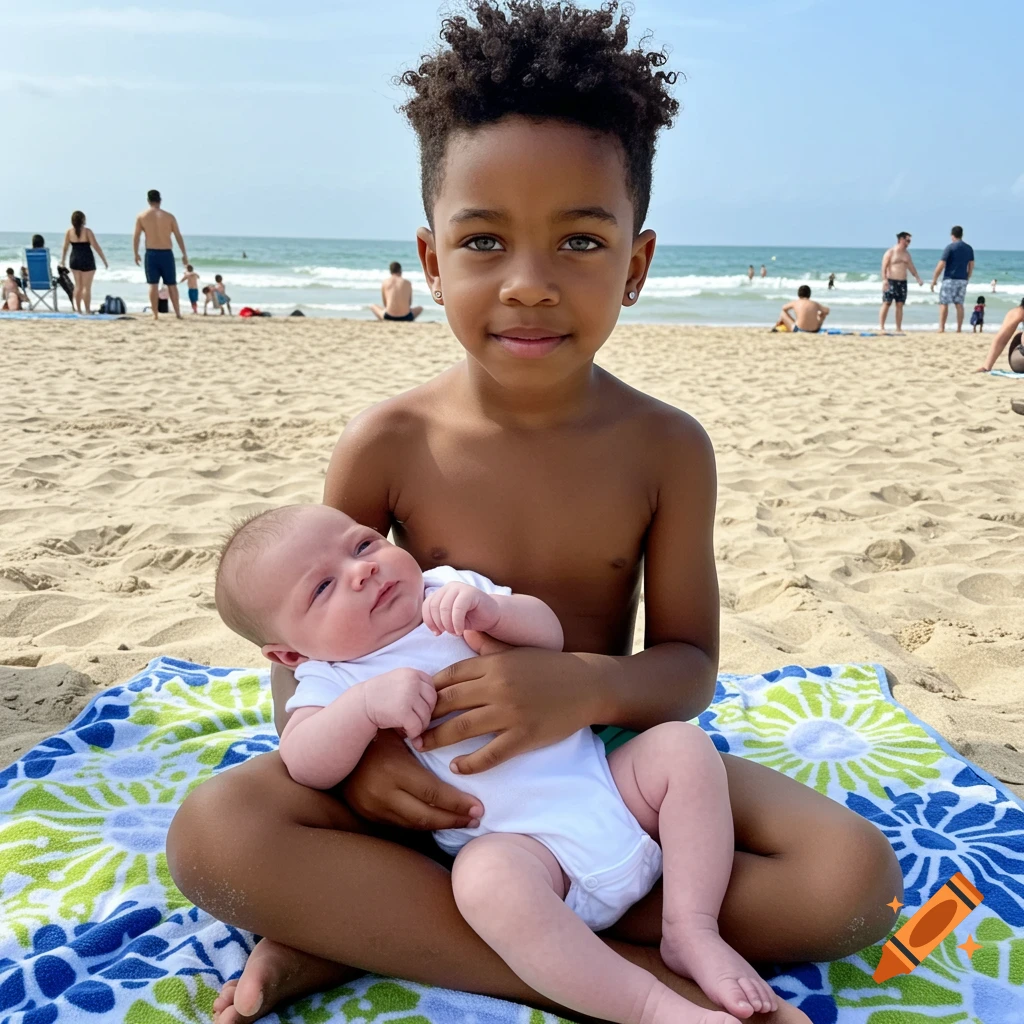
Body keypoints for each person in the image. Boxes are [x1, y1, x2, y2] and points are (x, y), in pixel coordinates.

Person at [166, 6, 901, 1024]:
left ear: (636, 266)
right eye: (482, 240)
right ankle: (621, 983)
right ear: (430, 260)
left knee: (850, 877)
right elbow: (299, 664)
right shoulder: (384, 440)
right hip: (441, 786)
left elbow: (686, 667)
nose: (527, 283)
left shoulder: (666, 447)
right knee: (215, 830)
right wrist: (373, 765)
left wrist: (575, 689)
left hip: (596, 761)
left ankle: (358, 930)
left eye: (580, 240)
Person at [216, 504, 778, 1023]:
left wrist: (495, 610)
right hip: (527, 854)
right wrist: (362, 709)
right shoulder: (330, 678)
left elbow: (548, 634)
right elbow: (305, 760)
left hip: (609, 788)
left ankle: (691, 927)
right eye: (322, 587)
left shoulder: (451, 591)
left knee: (681, 746)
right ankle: (652, 1006)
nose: (360, 572)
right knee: (484, 883)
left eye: (362, 546)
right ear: (290, 654)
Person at [133, 188, 188, 321]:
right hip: (166, 253)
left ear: (148, 200)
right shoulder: (169, 216)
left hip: (151, 253)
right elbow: (178, 236)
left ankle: (155, 314)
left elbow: (136, 236)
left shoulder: (142, 216)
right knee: (172, 284)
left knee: (153, 284)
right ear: (160, 200)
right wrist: (184, 253)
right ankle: (178, 313)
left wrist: (136, 253)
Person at [60, 211, 109, 315]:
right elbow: (96, 246)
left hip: (74, 259)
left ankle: (78, 310)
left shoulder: (69, 232)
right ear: (83, 220)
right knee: (87, 287)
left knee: (78, 286)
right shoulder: (87, 232)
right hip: (87, 259)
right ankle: (87, 310)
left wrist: (63, 260)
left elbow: (65, 247)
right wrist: (104, 260)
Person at [930, 225, 975, 333]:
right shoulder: (968, 248)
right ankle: (959, 328)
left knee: (944, 303)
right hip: (962, 279)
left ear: (952, 235)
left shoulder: (950, 247)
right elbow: (971, 264)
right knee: (959, 304)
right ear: (962, 234)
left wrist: (934, 279)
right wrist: (968, 276)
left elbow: (941, 264)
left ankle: (942, 328)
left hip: (949, 279)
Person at [878, 231, 923, 332]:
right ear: (901, 240)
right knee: (886, 303)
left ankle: (898, 327)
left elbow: (911, 267)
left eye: (909, 241)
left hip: (902, 282)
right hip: (891, 281)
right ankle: (881, 326)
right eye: (907, 240)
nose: (908, 243)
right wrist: (884, 280)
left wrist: (917, 278)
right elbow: (884, 267)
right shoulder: (890, 252)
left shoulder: (907, 254)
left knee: (900, 305)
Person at [976, 299, 1024, 373]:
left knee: (1018, 337)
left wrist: (986, 367)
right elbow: (1002, 339)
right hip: (1021, 359)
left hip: (1020, 360)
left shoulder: (1019, 311)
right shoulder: (1019, 312)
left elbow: (1002, 339)